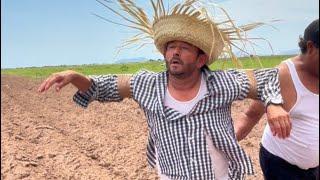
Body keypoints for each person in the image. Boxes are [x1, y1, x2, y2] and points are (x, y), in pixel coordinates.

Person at [38, 1, 288, 179]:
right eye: (171, 47)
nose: (175, 52)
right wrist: (73, 76)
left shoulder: (221, 84)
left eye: (184, 48)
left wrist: (273, 104)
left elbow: (267, 78)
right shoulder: (146, 85)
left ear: (201, 60)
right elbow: (100, 87)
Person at [235, 19, 319, 180]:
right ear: (311, 47)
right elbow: (250, 115)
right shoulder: (283, 76)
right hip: (281, 164)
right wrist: (224, 145)